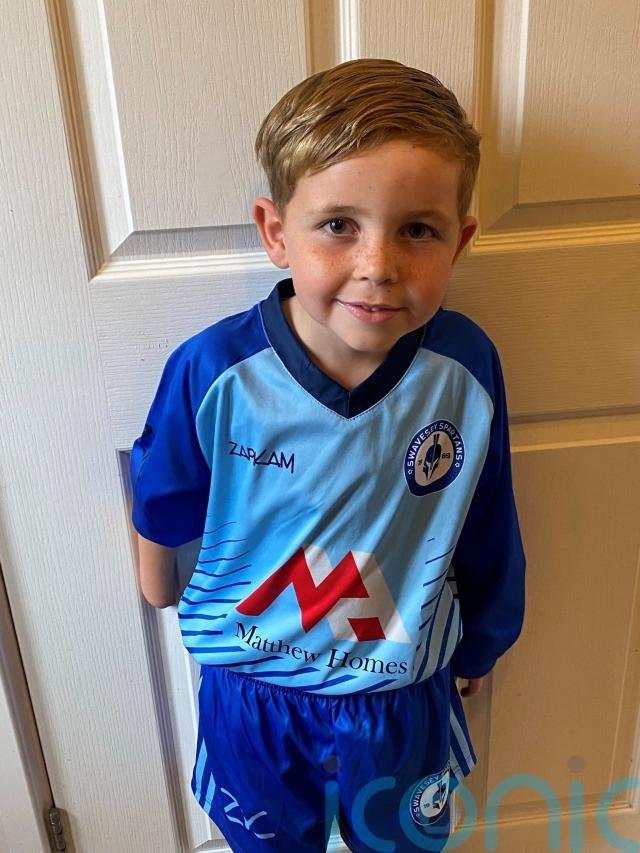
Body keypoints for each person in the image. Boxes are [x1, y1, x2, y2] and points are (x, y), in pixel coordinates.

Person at [131, 58, 526, 853]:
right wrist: (156, 583)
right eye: (340, 225)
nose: (378, 265)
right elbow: (163, 492)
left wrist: (483, 638)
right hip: (255, 694)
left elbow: (487, 517)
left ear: (460, 241)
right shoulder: (214, 371)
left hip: (400, 696)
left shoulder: (465, 368)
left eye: (416, 230)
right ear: (277, 232)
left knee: (402, 843)